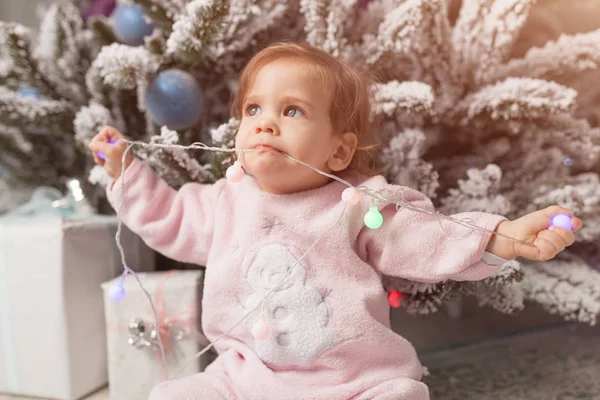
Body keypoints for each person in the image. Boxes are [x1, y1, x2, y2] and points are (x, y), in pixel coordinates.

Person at [89, 42, 582, 400]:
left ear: (339, 149)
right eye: (254, 109)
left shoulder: (357, 207)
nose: (264, 122)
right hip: (243, 379)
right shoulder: (225, 202)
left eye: (292, 110)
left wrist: (501, 236)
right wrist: (124, 173)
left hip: (351, 381)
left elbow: (431, 237)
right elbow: (168, 217)